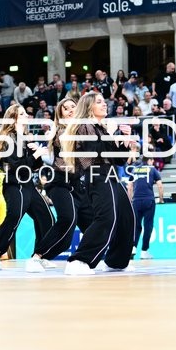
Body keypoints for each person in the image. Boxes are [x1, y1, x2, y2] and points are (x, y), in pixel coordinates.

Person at [61, 92, 136, 275]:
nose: (105, 104)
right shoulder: (84, 126)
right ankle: (79, 260)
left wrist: (125, 143)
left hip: (110, 175)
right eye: (99, 102)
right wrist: (111, 134)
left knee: (127, 219)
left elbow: (118, 160)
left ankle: (116, 261)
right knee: (106, 218)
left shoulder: (101, 128)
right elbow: (93, 153)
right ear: (89, 107)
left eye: (104, 101)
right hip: (97, 175)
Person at [0, 104, 55, 271]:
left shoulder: (26, 136)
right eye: (22, 113)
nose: (27, 116)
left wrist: (37, 152)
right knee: (14, 216)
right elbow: (16, 166)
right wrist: (35, 156)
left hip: (28, 184)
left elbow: (33, 166)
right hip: (15, 184)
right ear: (13, 117)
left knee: (47, 218)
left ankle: (39, 256)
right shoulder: (9, 138)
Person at [31, 98, 94, 270]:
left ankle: (88, 259)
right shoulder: (59, 132)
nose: (70, 110)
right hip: (59, 182)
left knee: (90, 225)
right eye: (65, 109)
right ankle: (36, 257)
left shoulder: (83, 130)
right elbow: (79, 157)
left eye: (73, 107)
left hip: (77, 184)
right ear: (61, 114)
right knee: (67, 218)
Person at [128, 156, 164, 260]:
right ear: (149, 160)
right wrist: (161, 199)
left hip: (136, 201)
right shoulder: (152, 169)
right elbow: (160, 185)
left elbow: (130, 187)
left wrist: (130, 201)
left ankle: (133, 247)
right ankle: (144, 251)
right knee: (148, 226)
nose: (153, 162)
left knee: (136, 226)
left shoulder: (134, 170)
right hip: (149, 200)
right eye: (152, 160)